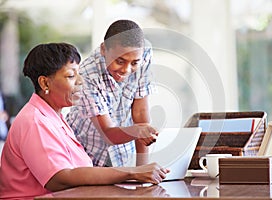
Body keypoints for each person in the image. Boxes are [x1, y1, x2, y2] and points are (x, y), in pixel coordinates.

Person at [0, 43, 169, 200]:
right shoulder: (34, 121)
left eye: (79, 73)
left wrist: (136, 174)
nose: (81, 81)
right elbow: (60, 178)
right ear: (45, 82)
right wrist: (132, 173)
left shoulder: (54, 117)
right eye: (71, 75)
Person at [66, 19, 157, 167]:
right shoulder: (87, 76)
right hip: (85, 153)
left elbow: (140, 113)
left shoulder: (143, 53)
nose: (126, 70)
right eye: (120, 61)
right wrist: (138, 131)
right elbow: (108, 134)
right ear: (103, 49)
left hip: (121, 152)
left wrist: (142, 169)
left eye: (134, 63)